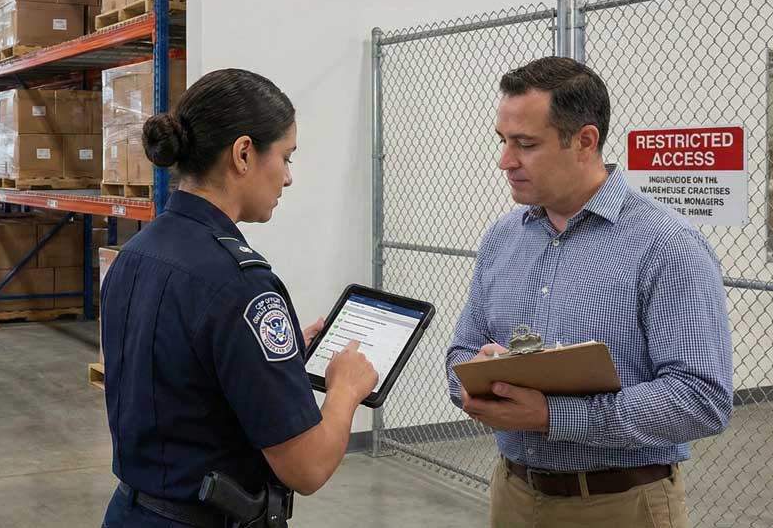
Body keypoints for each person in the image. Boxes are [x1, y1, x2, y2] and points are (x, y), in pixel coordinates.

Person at [446, 57, 733, 527]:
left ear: (584, 141)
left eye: (526, 144)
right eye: (503, 141)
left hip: (621, 505)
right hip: (512, 495)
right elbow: (460, 350)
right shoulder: (503, 237)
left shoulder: (666, 245)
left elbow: (701, 399)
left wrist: (552, 416)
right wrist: (473, 387)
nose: (505, 161)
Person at [99, 68, 379, 528]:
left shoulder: (134, 255)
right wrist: (345, 391)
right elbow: (306, 467)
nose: (288, 177)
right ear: (244, 154)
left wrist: (281, 360)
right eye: (286, 157)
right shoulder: (241, 285)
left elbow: (181, 379)